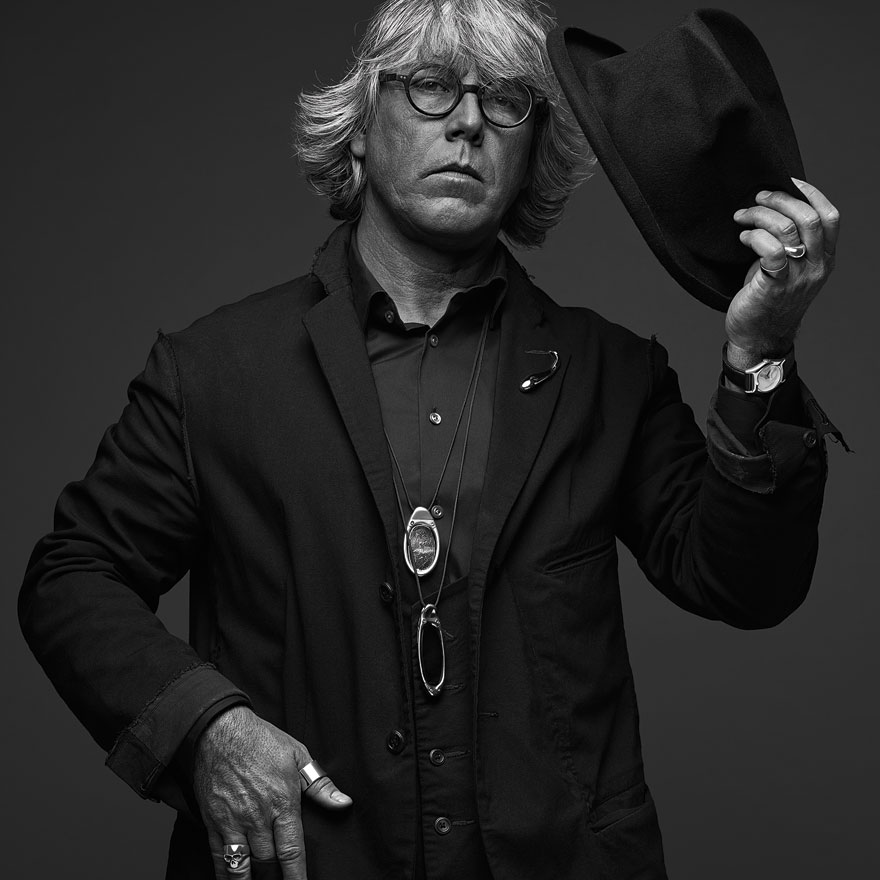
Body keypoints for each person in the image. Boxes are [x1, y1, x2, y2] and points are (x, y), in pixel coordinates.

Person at [18, 1, 841, 878]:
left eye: (507, 100)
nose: (469, 122)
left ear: (532, 152)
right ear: (360, 128)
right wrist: (206, 729)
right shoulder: (215, 370)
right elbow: (74, 578)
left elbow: (746, 584)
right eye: (431, 85)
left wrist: (760, 353)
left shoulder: (611, 373)